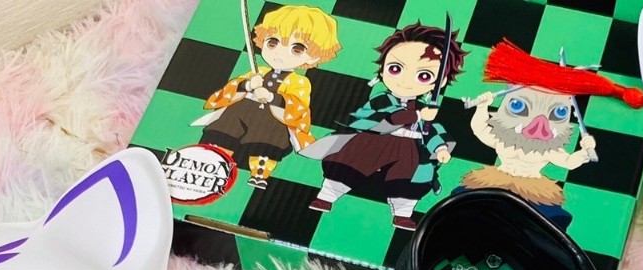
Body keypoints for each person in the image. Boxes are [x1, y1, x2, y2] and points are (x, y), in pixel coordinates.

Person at [305, 22, 465, 229]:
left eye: (423, 75)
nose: (406, 81)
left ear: (439, 83)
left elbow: (433, 131)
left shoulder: (425, 108)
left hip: (407, 148)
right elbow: (380, 119)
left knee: (409, 178)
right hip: (373, 141)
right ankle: (326, 196)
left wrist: (440, 148)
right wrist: (416, 115)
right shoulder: (382, 99)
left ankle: (402, 213)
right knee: (349, 165)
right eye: (395, 68)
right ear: (382, 69)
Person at [196, 5, 341, 188]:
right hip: (241, 111)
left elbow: (298, 107)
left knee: (266, 141)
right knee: (224, 131)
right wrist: (247, 85)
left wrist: (273, 98)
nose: (279, 52)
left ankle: (259, 173)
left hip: (272, 119)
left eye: (297, 49)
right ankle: (214, 162)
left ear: (314, 57)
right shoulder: (258, 71)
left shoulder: (299, 81)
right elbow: (230, 91)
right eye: (273, 42)